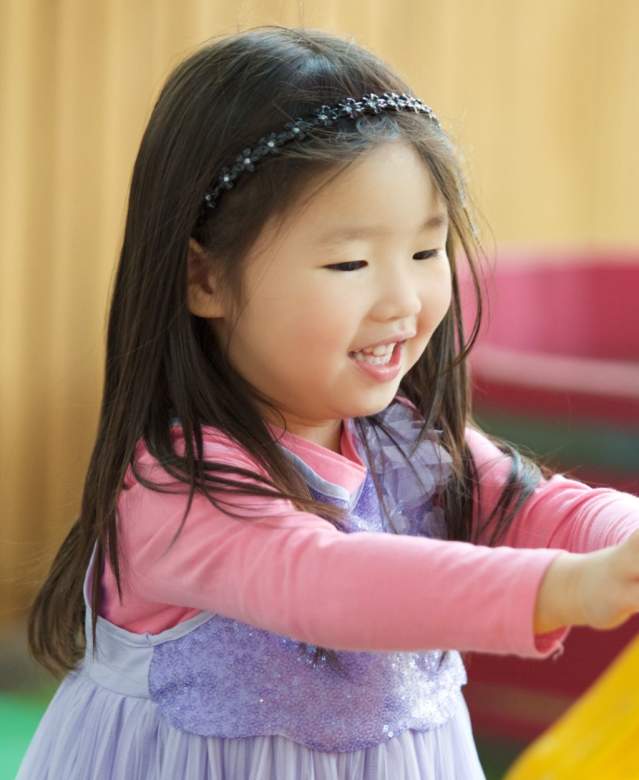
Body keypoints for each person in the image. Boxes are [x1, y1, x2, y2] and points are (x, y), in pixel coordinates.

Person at [16, 24, 639, 780]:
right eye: (349, 261)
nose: (402, 301)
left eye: (423, 251)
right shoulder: (177, 491)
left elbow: (538, 507)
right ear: (204, 279)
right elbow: (324, 578)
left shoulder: (404, 442)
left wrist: (625, 539)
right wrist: (571, 587)